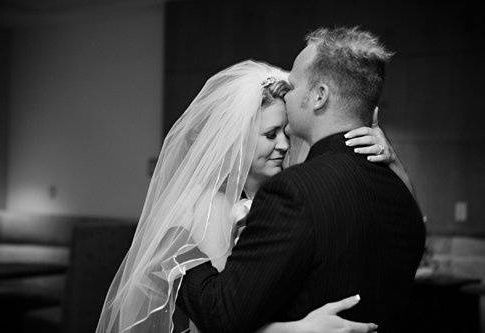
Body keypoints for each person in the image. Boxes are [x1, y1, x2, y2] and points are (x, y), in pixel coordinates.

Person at [97, 56, 404, 332]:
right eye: (270, 135)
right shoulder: (206, 210)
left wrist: (391, 159)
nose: (284, 145)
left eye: (286, 133)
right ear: (238, 139)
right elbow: (220, 318)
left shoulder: (298, 196)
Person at [175, 27, 426, 333]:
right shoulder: (401, 193)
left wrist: (179, 257)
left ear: (319, 96)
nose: (288, 92)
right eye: (270, 134)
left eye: (293, 85)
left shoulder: (294, 192)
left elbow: (223, 313)